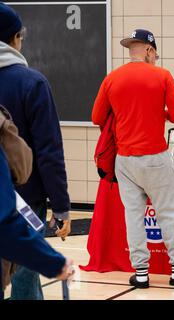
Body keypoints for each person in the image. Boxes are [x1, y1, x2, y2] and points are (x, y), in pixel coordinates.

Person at [91, 29, 174, 288]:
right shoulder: (161, 75)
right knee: (169, 213)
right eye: (155, 54)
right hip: (155, 156)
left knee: (133, 215)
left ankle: (141, 273)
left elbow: (97, 118)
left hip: (124, 159)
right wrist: (162, 112)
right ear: (149, 50)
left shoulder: (111, 78)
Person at [0, 2, 71, 300]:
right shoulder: (32, 82)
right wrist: (61, 204)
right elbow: (48, 151)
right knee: (25, 281)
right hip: (24, 202)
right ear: (16, 38)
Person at [0, 145, 74, 300]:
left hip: (22, 196)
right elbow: (49, 152)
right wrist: (55, 263)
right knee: (24, 274)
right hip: (26, 194)